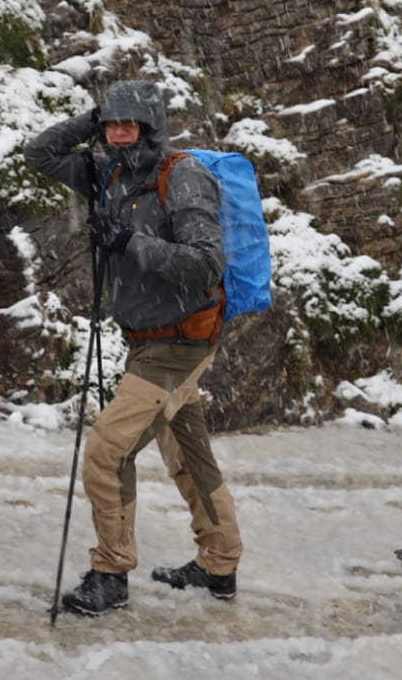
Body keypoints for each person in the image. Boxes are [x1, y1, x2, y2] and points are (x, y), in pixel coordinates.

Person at [23, 80, 242, 616]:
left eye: (130, 123)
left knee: (108, 451)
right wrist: (92, 118)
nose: (119, 132)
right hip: (147, 340)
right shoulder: (108, 172)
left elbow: (205, 264)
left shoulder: (182, 176)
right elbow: (39, 153)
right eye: (112, 124)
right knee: (188, 452)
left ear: (151, 127)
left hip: (180, 342)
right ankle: (220, 563)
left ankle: (111, 573)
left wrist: (129, 242)